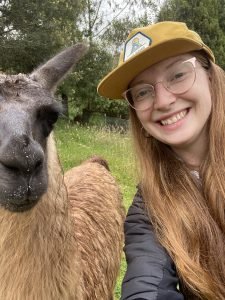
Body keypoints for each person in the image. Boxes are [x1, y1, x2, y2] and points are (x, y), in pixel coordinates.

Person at [97, 21, 225, 299]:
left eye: (178, 75)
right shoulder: (149, 210)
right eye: (142, 92)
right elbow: (146, 282)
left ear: (211, 78)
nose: (163, 101)